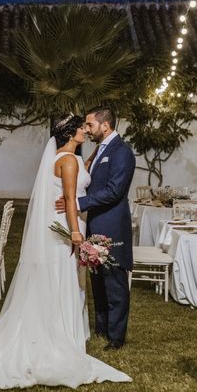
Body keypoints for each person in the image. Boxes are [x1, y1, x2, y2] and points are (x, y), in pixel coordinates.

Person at [0, 115, 131, 389]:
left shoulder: (72, 158)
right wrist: (75, 232)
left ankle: (68, 327)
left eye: (88, 126)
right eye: (82, 127)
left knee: (65, 278)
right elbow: (70, 199)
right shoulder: (68, 161)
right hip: (67, 225)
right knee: (61, 276)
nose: (85, 130)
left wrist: (93, 156)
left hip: (72, 220)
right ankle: (59, 331)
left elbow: (85, 175)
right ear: (71, 133)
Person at [56, 107, 136, 350]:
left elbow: (114, 190)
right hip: (94, 223)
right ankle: (102, 327)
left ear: (105, 126)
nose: (87, 130)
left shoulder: (122, 152)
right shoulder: (100, 149)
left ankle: (117, 337)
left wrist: (78, 202)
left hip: (112, 224)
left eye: (90, 125)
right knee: (98, 280)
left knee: (115, 283)